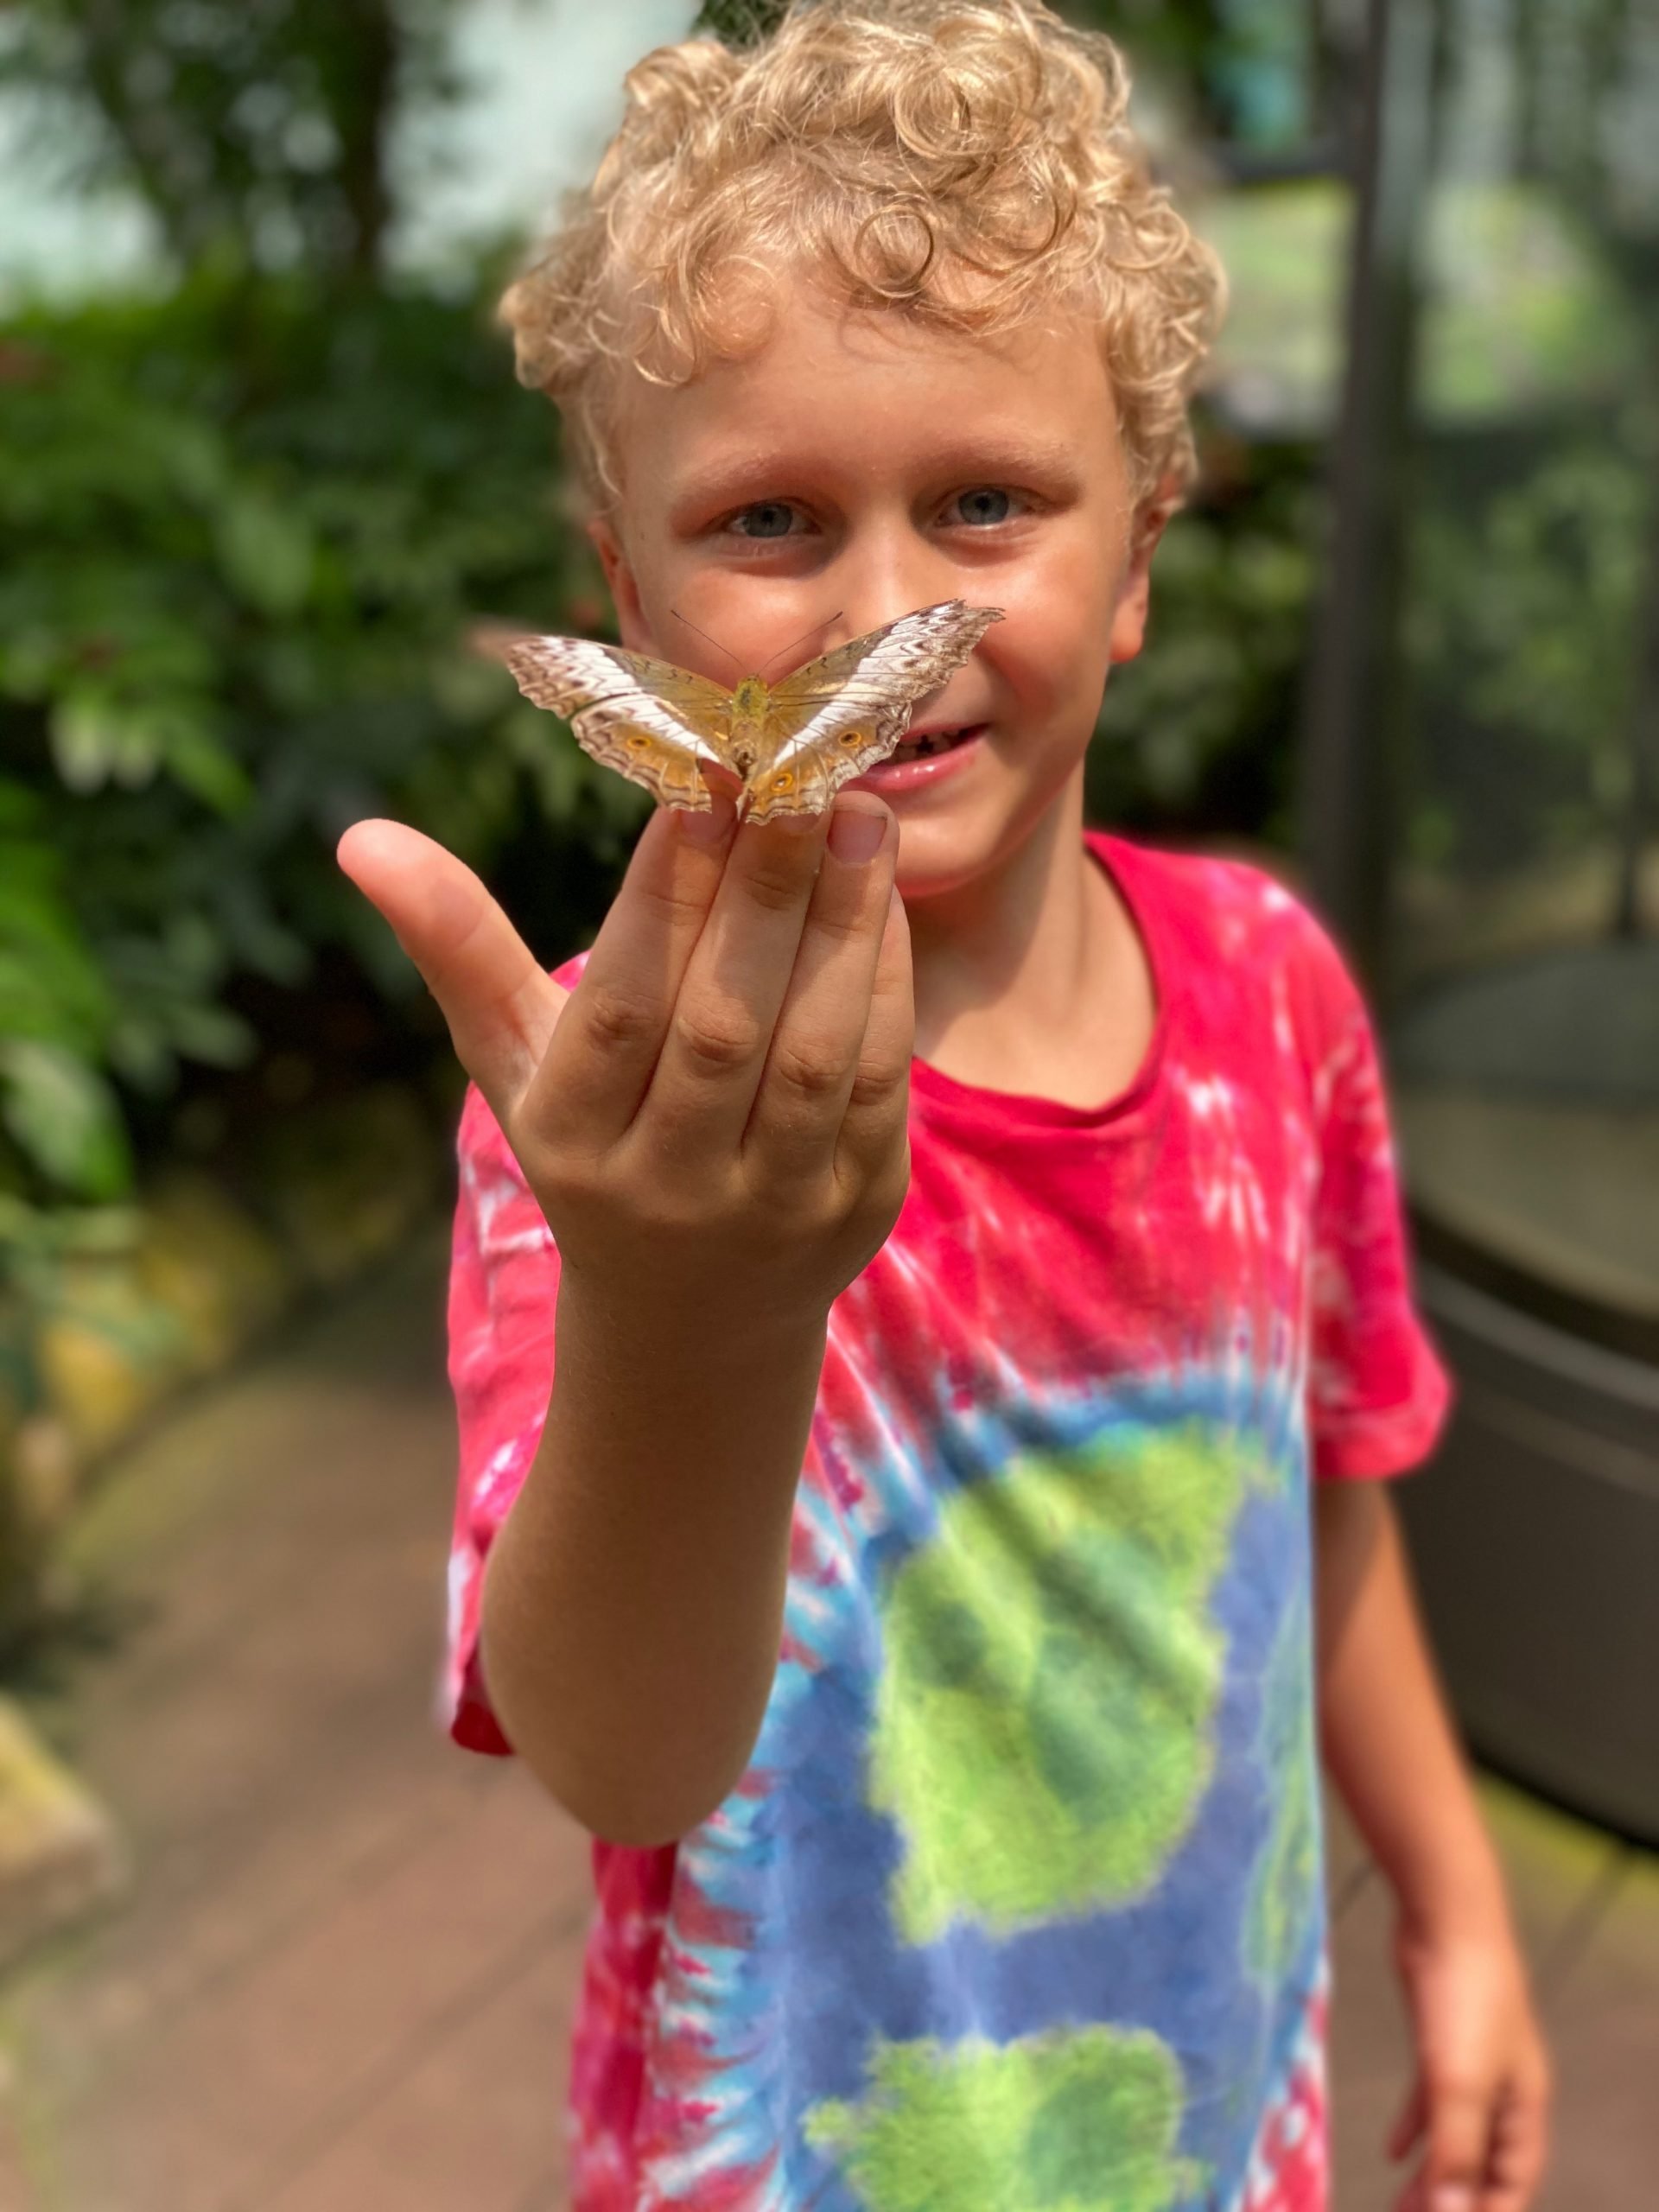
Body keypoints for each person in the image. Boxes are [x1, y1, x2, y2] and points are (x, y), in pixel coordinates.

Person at [337, 3, 1552, 2207]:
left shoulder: (1277, 996)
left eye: (986, 500)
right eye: (771, 516)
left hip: (1219, 2125)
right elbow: (618, 1759)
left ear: (1145, 548)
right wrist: (683, 1303)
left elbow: (1329, 1488)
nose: (887, 609)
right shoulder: (612, 1125)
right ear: (637, 602)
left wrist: (1459, 1909)